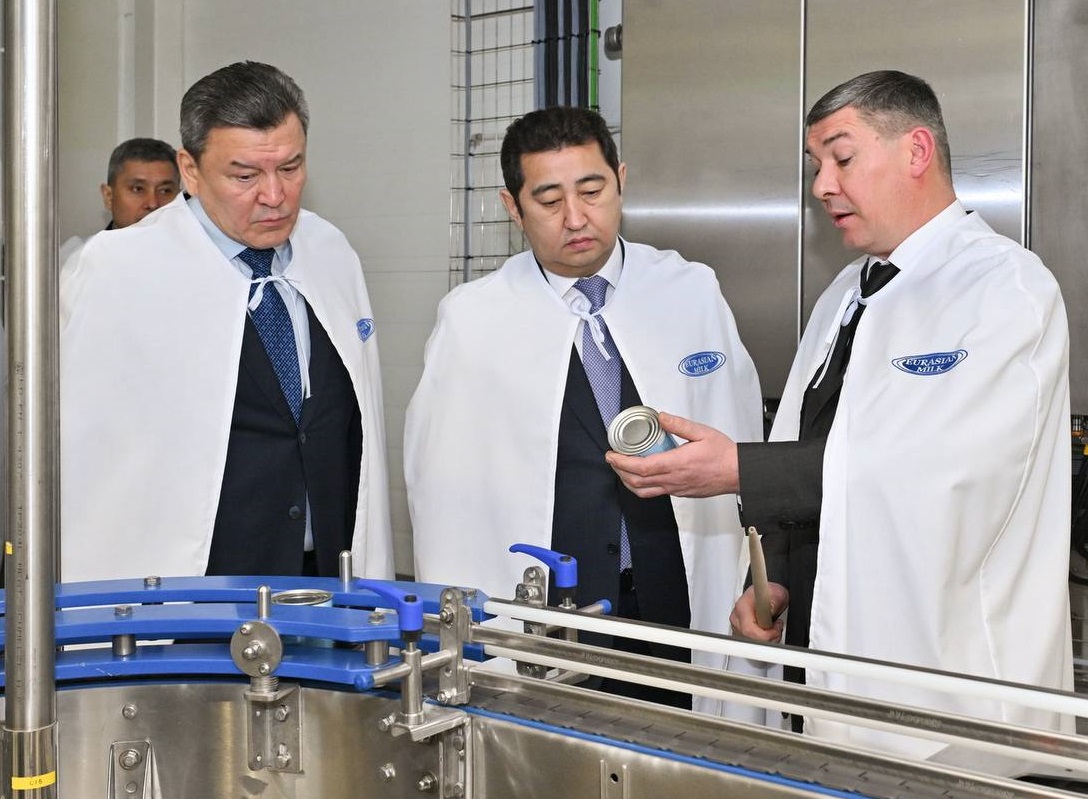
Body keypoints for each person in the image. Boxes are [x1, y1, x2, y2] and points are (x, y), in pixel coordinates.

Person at [607, 70, 1073, 768]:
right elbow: (811, 445)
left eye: (842, 158)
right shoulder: (846, 296)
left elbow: (935, 467)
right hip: (823, 659)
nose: (823, 185)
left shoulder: (1004, 289)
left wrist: (739, 469)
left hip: (949, 685)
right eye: (815, 165)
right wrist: (769, 581)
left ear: (916, 151)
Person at [405, 106, 763, 711]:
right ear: (512, 207)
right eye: (548, 201)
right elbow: (440, 491)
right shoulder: (473, 319)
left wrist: (756, 572)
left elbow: (743, 435)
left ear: (620, 180)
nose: (576, 218)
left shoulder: (689, 291)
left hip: (674, 595)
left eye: (592, 191)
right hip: (552, 611)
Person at [60, 61, 393, 582]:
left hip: (325, 573)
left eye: (290, 168)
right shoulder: (117, 270)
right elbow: (79, 449)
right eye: (245, 176)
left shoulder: (330, 252)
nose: (274, 195)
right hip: (194, 581)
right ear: (190, 170)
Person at [59, 137, 182, 265]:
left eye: (165, 191)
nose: (153, 203)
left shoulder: (192, 258)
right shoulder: (75, 261)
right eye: (137, 189)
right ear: (109, 196)